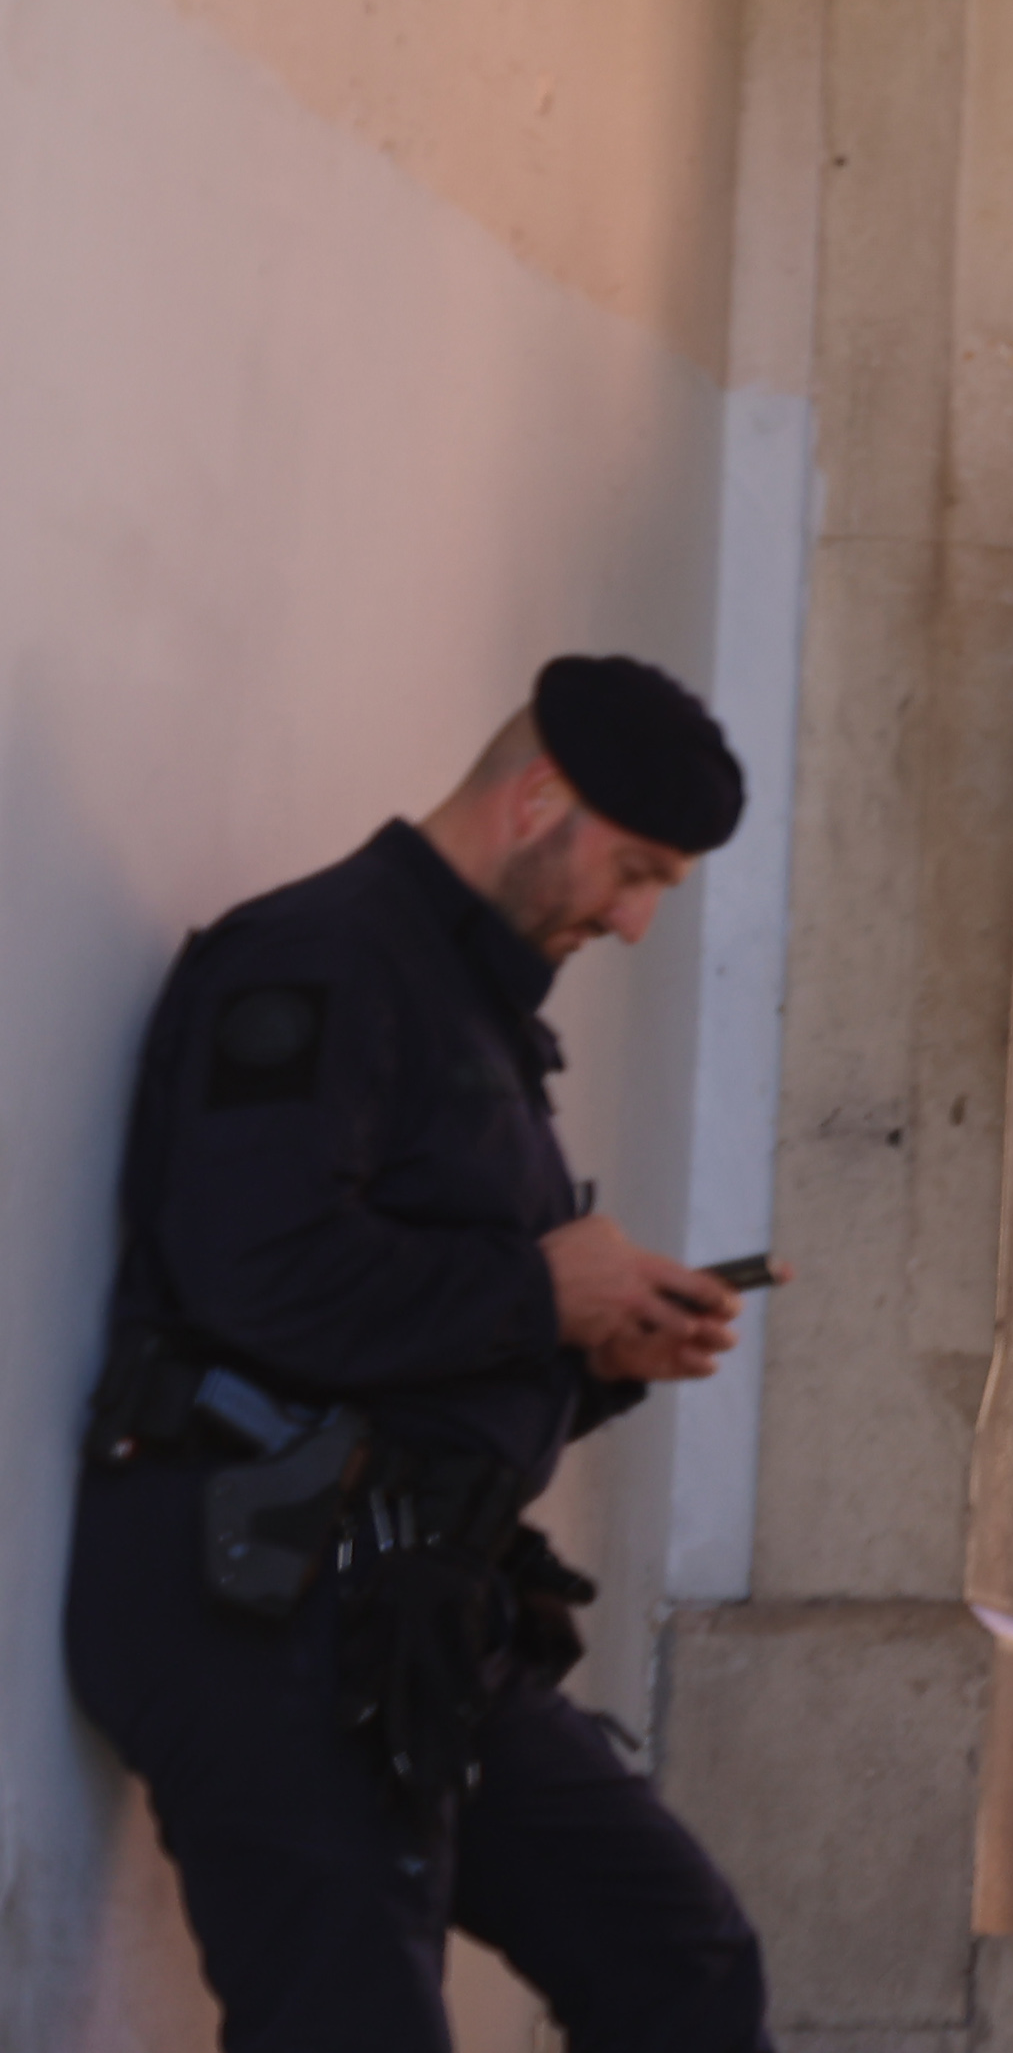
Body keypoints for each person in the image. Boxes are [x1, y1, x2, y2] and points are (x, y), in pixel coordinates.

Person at [66, 656, 771, 2053]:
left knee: (677, 1958)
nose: (634, 921)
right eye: (633, 873)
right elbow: (255, 1273)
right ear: (536, 800)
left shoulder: (466, 1000)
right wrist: (536, 1292)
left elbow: (408, 1339)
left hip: (412, 1607)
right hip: (255, 1599)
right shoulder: (318, 959)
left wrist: (598, 1347)